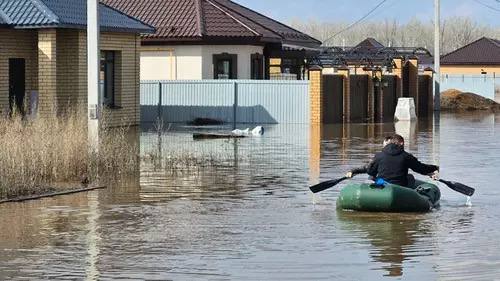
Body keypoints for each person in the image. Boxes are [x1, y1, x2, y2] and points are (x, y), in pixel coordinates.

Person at [365, 134, 439, 188]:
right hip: (400, 186)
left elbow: (370, 171)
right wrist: (435, 168)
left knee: (371, 178)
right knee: (410, 177)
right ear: (401, 143)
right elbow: (420, 168)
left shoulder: (379, 155)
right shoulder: (406, 156)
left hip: (383, 185)